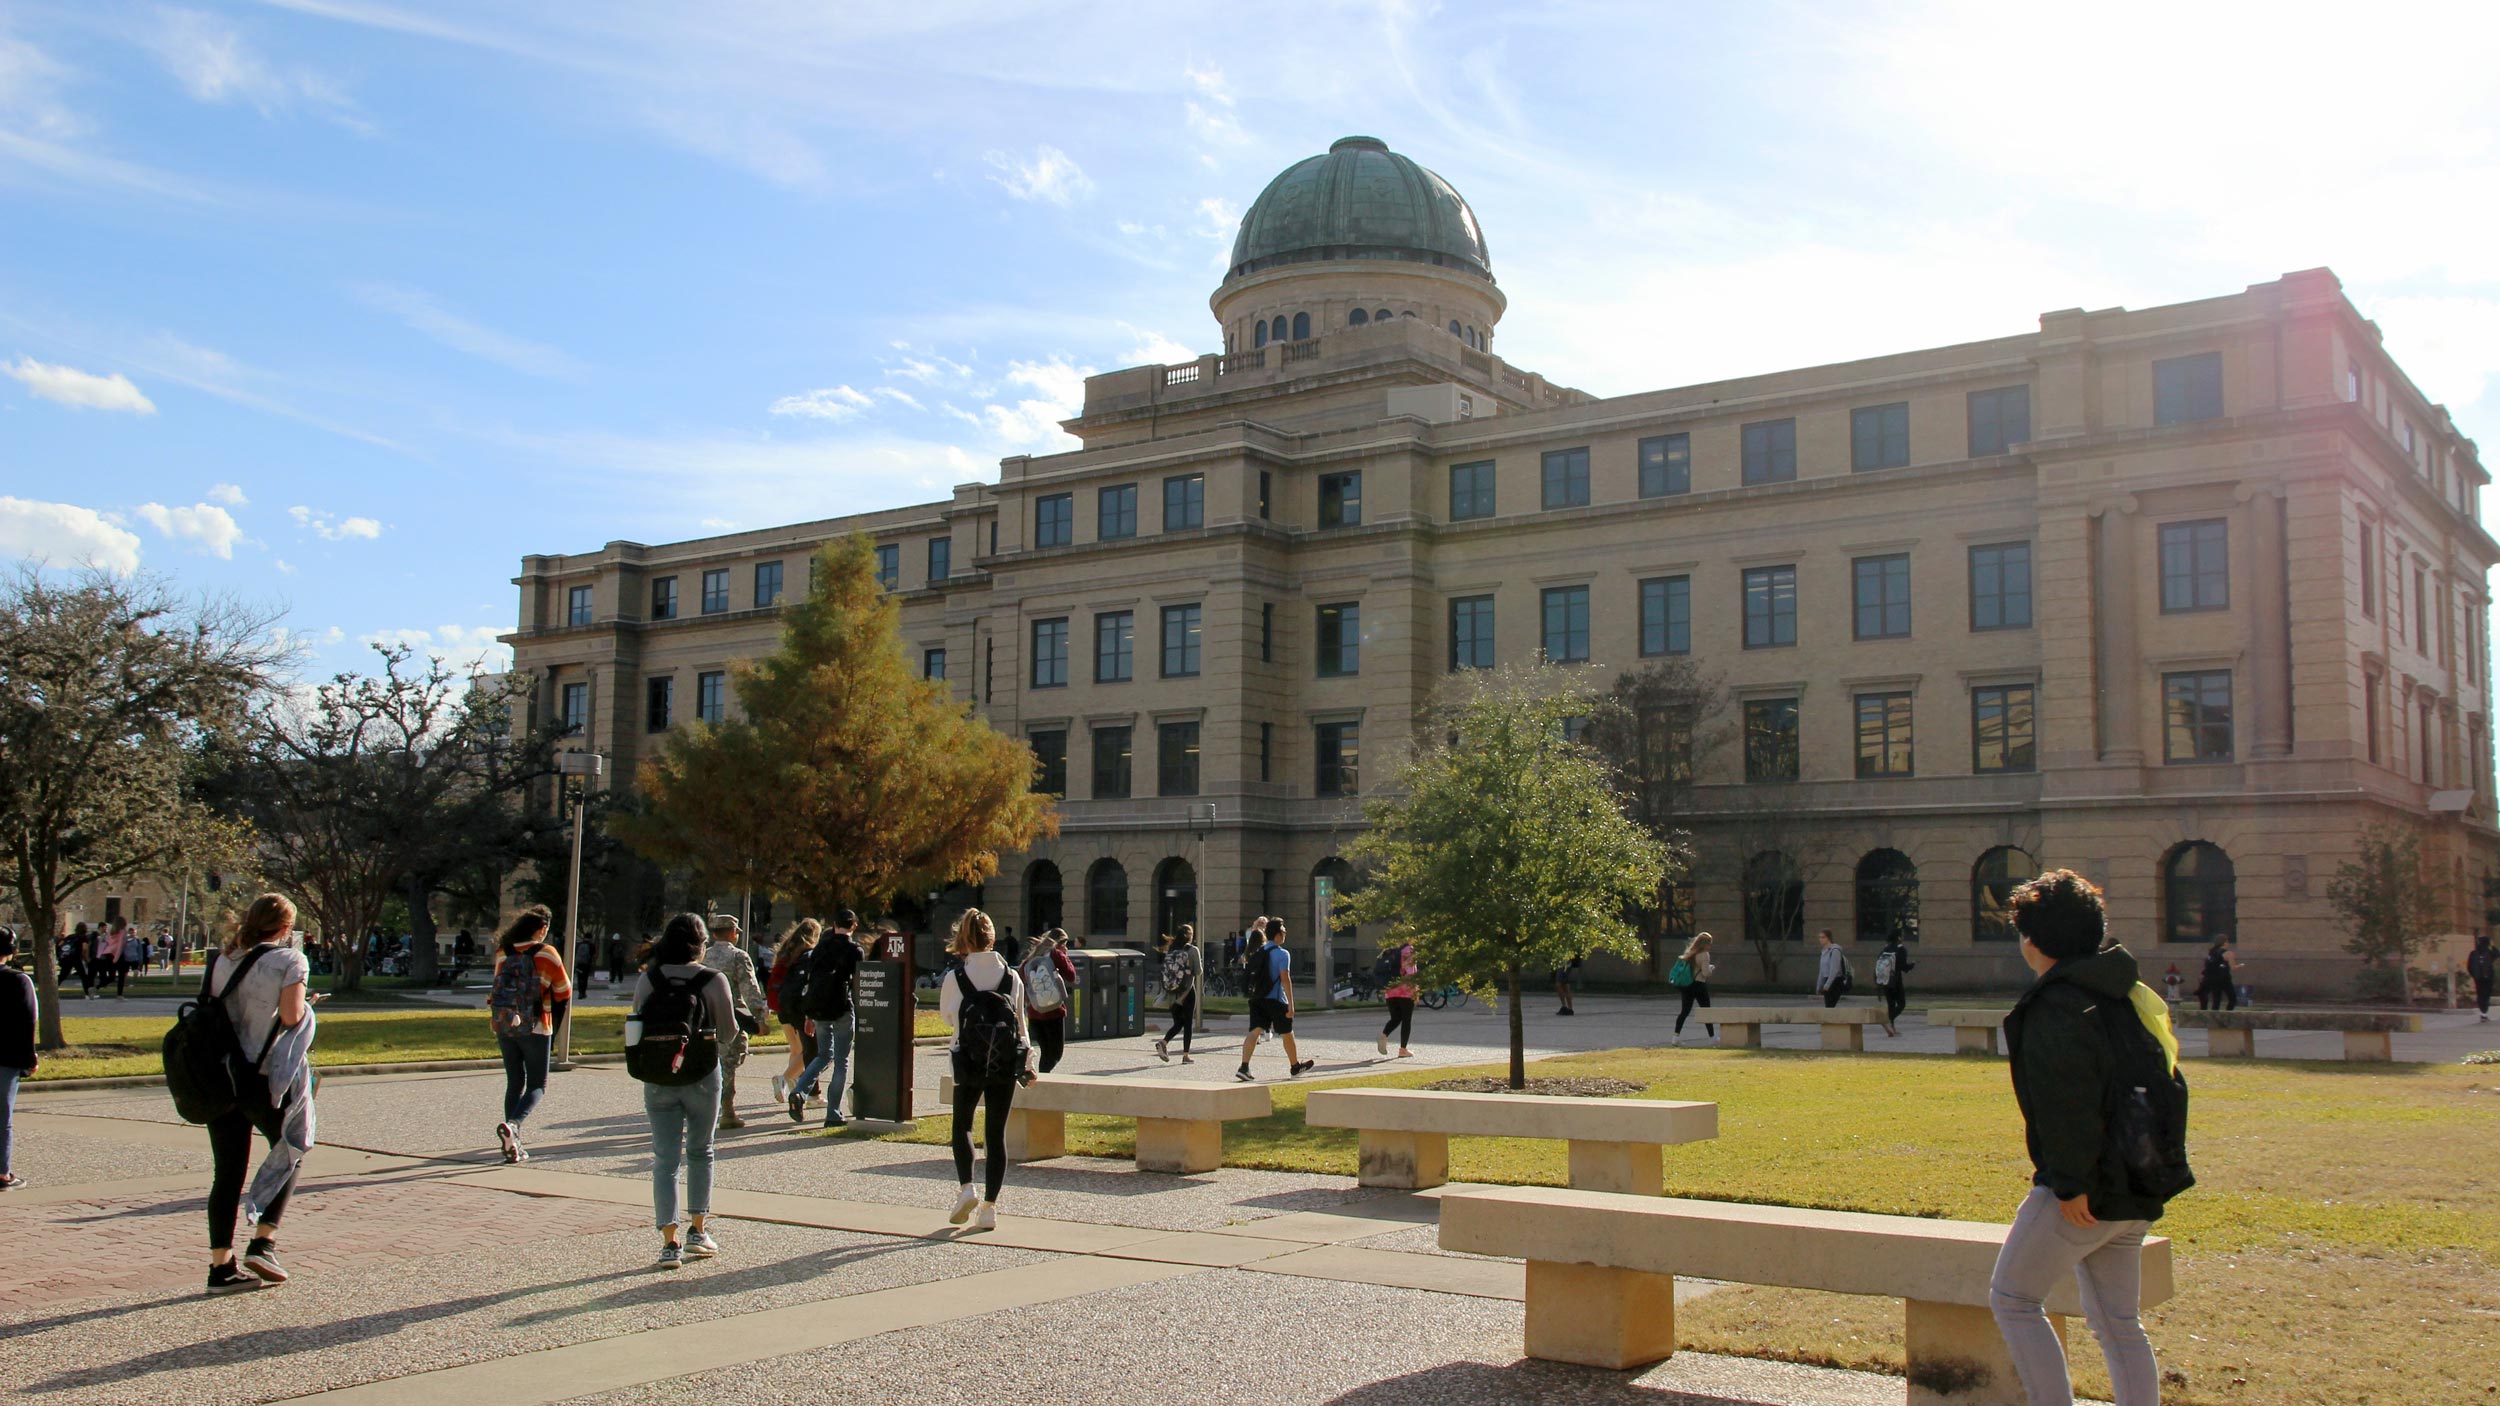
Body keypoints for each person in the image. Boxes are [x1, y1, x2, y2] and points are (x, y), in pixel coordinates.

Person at [1991, 868, 2172, 1406]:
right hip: (2138, 1184)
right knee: (2119, 1324)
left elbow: (2066, 1106)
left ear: (2035, 940)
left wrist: (2069, 1186)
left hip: (2084, 1191)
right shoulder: (2125, 992)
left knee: (2013, 1298)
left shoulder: (2057, 1006)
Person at [203, 894, 318, 1293]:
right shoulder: (290, 961)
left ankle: (221, 1265)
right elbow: (290, 1016)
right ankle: (263, 1241)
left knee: (227, 1171)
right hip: (265, 1073)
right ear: (286, 928)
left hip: (221, 1072)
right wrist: (309, 1004)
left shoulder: (224, 958)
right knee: (290, 1149)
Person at [629, 914, 735, 1268]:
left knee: (664, 1160)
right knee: (701, 1151)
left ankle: (668, 1241)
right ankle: (698, 1230)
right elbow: (729, 1031)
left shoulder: (650, 979)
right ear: (700, 945)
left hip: (658, 1077)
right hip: (702, 1073)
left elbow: (636, 1021)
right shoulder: (712, 980)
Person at [938, 909, 1031, 1231]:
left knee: (962, 1125)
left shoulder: (956, 977)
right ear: (993, 938)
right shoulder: (1011, 976)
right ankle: (990, 1207)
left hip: (966, 1060)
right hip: (1004, 1061)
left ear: (964, 938)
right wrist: (1027, 1062)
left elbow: (948, 1018)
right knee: (996, 1132)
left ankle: (967, 1188)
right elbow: (1020, 1022)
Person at [487, 905, 572, 1165]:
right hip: (536, 1025)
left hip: (504, 1024)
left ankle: (512, 1142)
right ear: (542, 929)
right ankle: (513, 1125)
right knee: (537, 1084)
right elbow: (563, 990)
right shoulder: (547, 954)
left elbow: (498, 985)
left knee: (514, 1081)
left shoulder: (504, 952)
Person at [792, 909, 863, 1126]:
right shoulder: (854, 950)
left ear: (834, 924)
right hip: (842, 1008)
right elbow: (857, 983)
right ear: (854, 926)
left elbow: (810, 981)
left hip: (819, 1009)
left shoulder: (821, 947)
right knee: (841, 1061)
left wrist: (809, 1014)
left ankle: (799, 1090)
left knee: (823, 1055)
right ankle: (833, 1112)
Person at [700, 915, 768, 1131]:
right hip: (732, 1016)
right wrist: (759, 1018)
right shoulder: (739, 956)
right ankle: (726, 1111)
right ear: (731, 933)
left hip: (705, 1015)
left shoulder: (704, 956)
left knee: (710, 1060)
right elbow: (749, 989)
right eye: (736, 932)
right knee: (729, 1063)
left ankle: (706, 1107)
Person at [1237, 918, 1313, 1082]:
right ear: (1277, 935)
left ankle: (1244, 1066)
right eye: (1283, 931)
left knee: (1255, 1031)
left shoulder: (1260, 952)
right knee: (1287, 1033)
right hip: (1276, 1000)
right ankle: (1295, 1067)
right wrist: (1291, 1005)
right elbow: (1285, 979)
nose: (1285, 934)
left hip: (1258, 999)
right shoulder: (1282, 954)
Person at [767, 919, 819, 1105]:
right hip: (797, 1006)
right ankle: (785, 1078)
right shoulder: (806, 953)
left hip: (781, 1004)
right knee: (807, 1051)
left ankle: (793, 1085)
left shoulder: (786, 950)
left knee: (796, 1049)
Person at [1, 928, 35, 1190]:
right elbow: (27, 1021)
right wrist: (29, 1057)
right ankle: (2, 1173)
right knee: (2, 1117)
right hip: (6, 1057)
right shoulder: (18, 981)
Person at [1020, 929, 1079, 1073]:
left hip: (1035, 1012)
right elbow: (1071, 975)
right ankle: (1042, 1081)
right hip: (1054, 1012)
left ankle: (1041, 1077)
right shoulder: (1055, 954)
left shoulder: (1032, 956)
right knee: (1055, 1054)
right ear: (1061, 943)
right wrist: (1064, 956)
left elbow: (1021, 976)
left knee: (1046, 1052)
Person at [1154, 925, 1202, 1063]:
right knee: (1187, 1023)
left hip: (1172, 991)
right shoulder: (1193, 950)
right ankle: (1185, 1055)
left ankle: (1164, 1042)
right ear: (1189, 936)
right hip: (1187, 991)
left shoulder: (1172, 949)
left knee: (1178, 1022)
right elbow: (1198, 972)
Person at [1671, 932, 1717, 1045]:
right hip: (1699, 984)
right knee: (1706, 1010)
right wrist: (1711, 968)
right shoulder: (1704, 954)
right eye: (1709, 943)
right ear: (1704, 944)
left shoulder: (1690, 953)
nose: (1710, 946)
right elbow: (1705, 973)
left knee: (1684, 1011)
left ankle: (1675, 1037)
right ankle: (1712, 1038)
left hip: (1687, 985)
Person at [1377, 936, 1418, 1058]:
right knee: (1406, 1020)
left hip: (1390, 990)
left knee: (1395, 1018)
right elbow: (1411, 973)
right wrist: (1416, 990)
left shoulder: (1392, 950)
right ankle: (1403, 1049)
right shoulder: (1409, 951)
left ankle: (1384, 1035)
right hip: (1405, 991)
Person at [1875, 929, 1915, 1037]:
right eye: (1902, 935)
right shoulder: (1901, 949)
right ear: (1898, 937)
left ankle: (1892, 1028)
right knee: (1901, 1003)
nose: (1903, 937)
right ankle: (1888, 1019)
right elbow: (1903, 967)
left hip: (1885, 980)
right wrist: (1911, 965)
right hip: (1895, 980)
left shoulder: (1886, 948)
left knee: (1891, 1004)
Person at [2195, 940, 2235, 1011]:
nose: (2228, 944)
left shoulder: (2211, 954)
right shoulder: (2226, 953)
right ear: (2224, 943)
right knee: (2232, 998)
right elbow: (2232, 967)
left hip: (2214, 979)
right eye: (2227, 942)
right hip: (2223, 979)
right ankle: (2227, 1015)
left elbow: (2209, 966)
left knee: (2216, 1001)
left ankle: (2214, 1017)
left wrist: (2204, 974)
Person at [1814, 930, 1848, 1008]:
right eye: (1819, 937)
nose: (1820, 939)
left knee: (1830, 1006)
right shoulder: (1823, 952)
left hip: (1835, 981)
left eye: (1823, 937)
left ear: (1828, 938)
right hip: (1827, 980)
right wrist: (1819, 985)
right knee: (1828, 1006)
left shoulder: (1835, 950)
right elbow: (1822, 971)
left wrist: (1827, 984)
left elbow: (1834, 969)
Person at [2467, 934, 2494, 1022]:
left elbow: (2469, 967)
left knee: (2480, 995)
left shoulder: (2473, 953)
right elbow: (2498, 953)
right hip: (2488, 979)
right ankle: (2484, 1014)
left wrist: (2474, 975)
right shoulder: (2489, 953)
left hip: (2478, 979)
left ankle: (2483, 1014)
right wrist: (2492, 946)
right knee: (2486, 996)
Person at [1554, 952, 1581, 1016]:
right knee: (1565, 985)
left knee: (1560, 984)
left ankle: (1566, 1006)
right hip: (1564, 962)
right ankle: (1568, 1007)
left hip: (1565, 962)